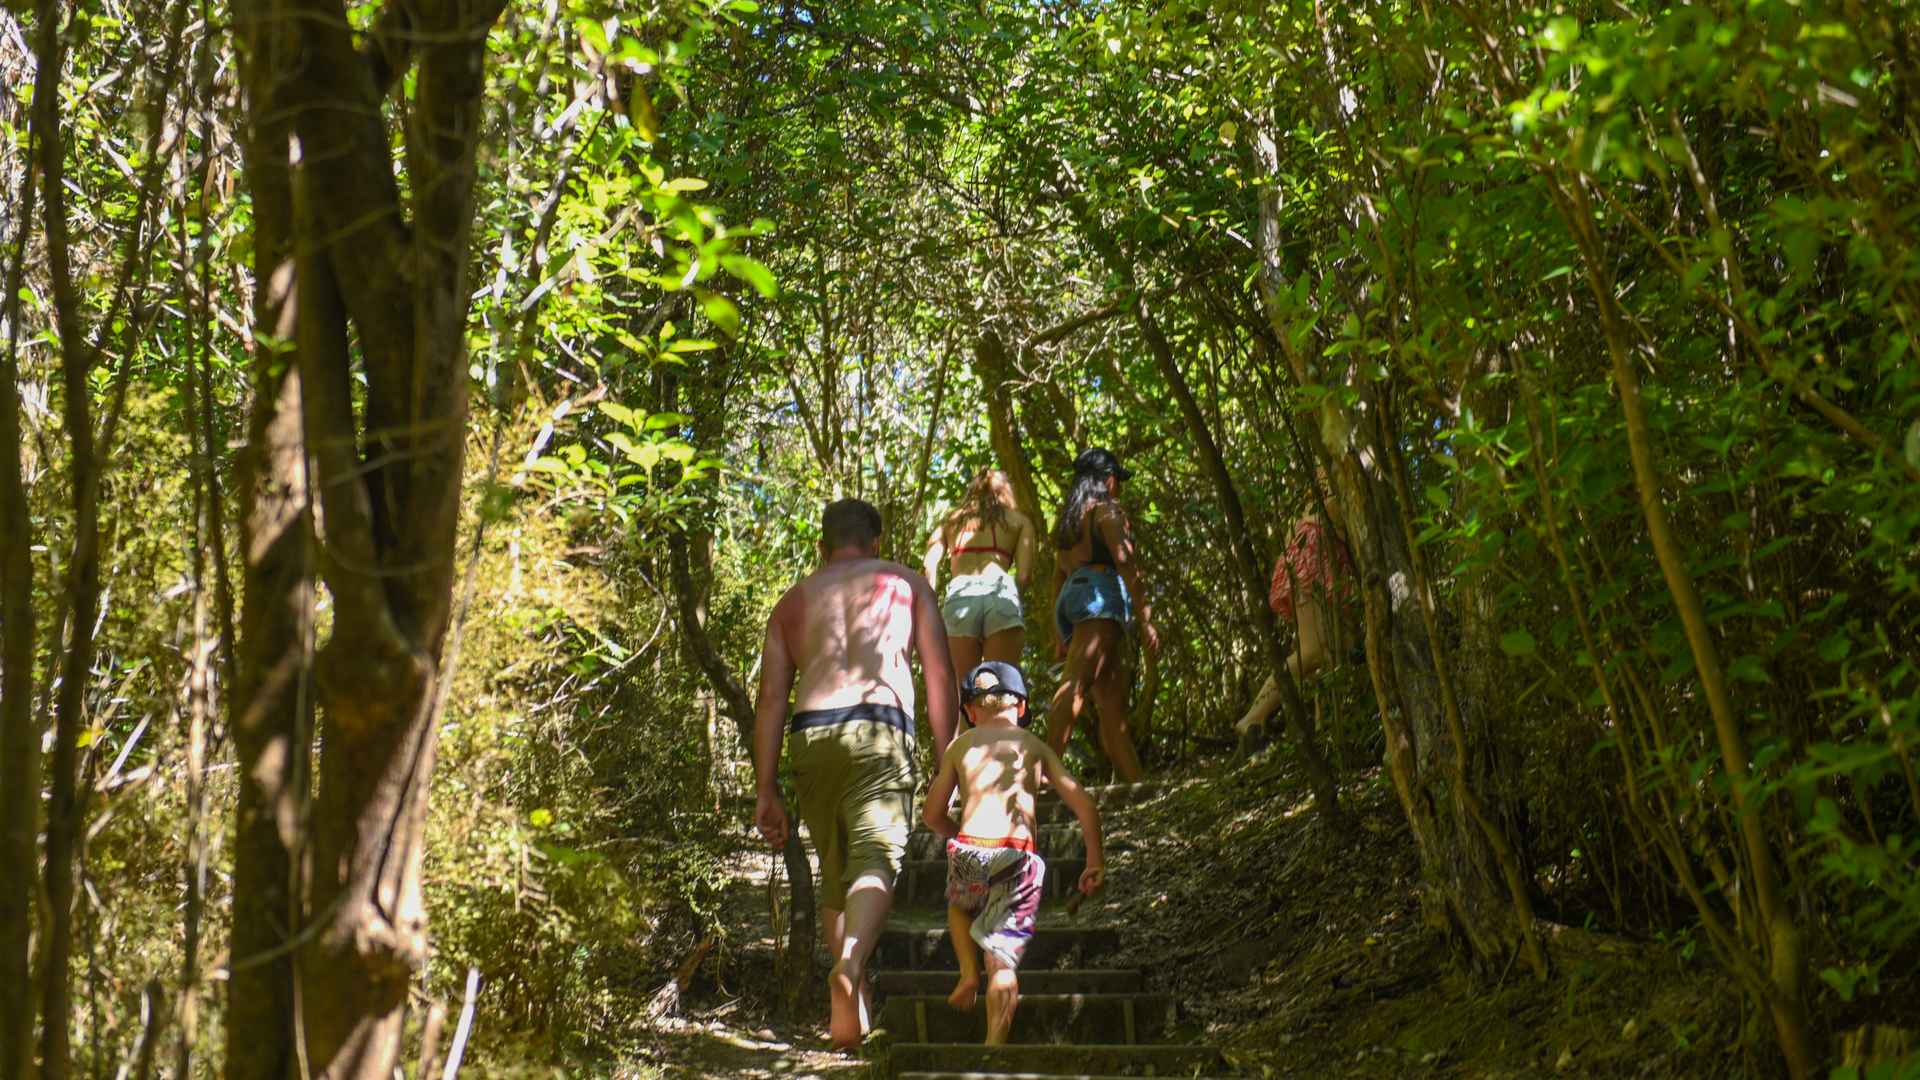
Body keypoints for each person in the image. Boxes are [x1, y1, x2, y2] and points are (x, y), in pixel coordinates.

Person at [753, 498, 960, 1050]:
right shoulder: (905, 583)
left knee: (837, 872)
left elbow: (771, 699)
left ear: (822, 547)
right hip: (880, 729)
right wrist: (950, 760)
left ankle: (853, 1008)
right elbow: (940, 675)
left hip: (811, 736)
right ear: (875, 544)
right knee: (875, 860)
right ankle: (848, 964)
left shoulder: (791, 602)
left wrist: (766, 788)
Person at [921, 661, 1106, 1045]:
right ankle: (995, 1046)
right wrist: (1093, 861)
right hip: (1017, 855)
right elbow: (1086, 805)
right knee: (1002, 961)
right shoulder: (1033, 745)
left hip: (972, 849)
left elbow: (931, 814)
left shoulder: (960, 746)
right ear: (1021, 707)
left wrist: (959, 836)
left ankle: (968, 971)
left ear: (971, 712)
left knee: (959, 907)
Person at [1049, 447, 1158, 782]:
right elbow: (1125, 562)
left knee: (1112, 707)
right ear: (1109, 480)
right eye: (1118, 480)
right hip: (1100, 597)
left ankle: (1136, 786)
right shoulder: (1106, 510)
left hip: (1074, 596)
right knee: (1075, 685)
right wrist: (1147, 620)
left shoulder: (1070, 518)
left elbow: (1058, 575)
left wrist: (1057, 632)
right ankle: (1043, 773)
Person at [1234, 472, 1355, 750]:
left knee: (1338, 650)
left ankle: (1329, 732)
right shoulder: (1333, 476)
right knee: (1313, 650)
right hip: (1312, 556)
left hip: (1325, 559)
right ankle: (1252, 718)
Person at [923, 468, 1037, 680]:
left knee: (963, 692)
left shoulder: (951, 521)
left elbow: (929, 562)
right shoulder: (1019, 522)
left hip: (961, 597)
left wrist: (931, 601)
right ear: (1006, 490)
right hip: (1001, 593)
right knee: (1003, 687)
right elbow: (1024, 575)